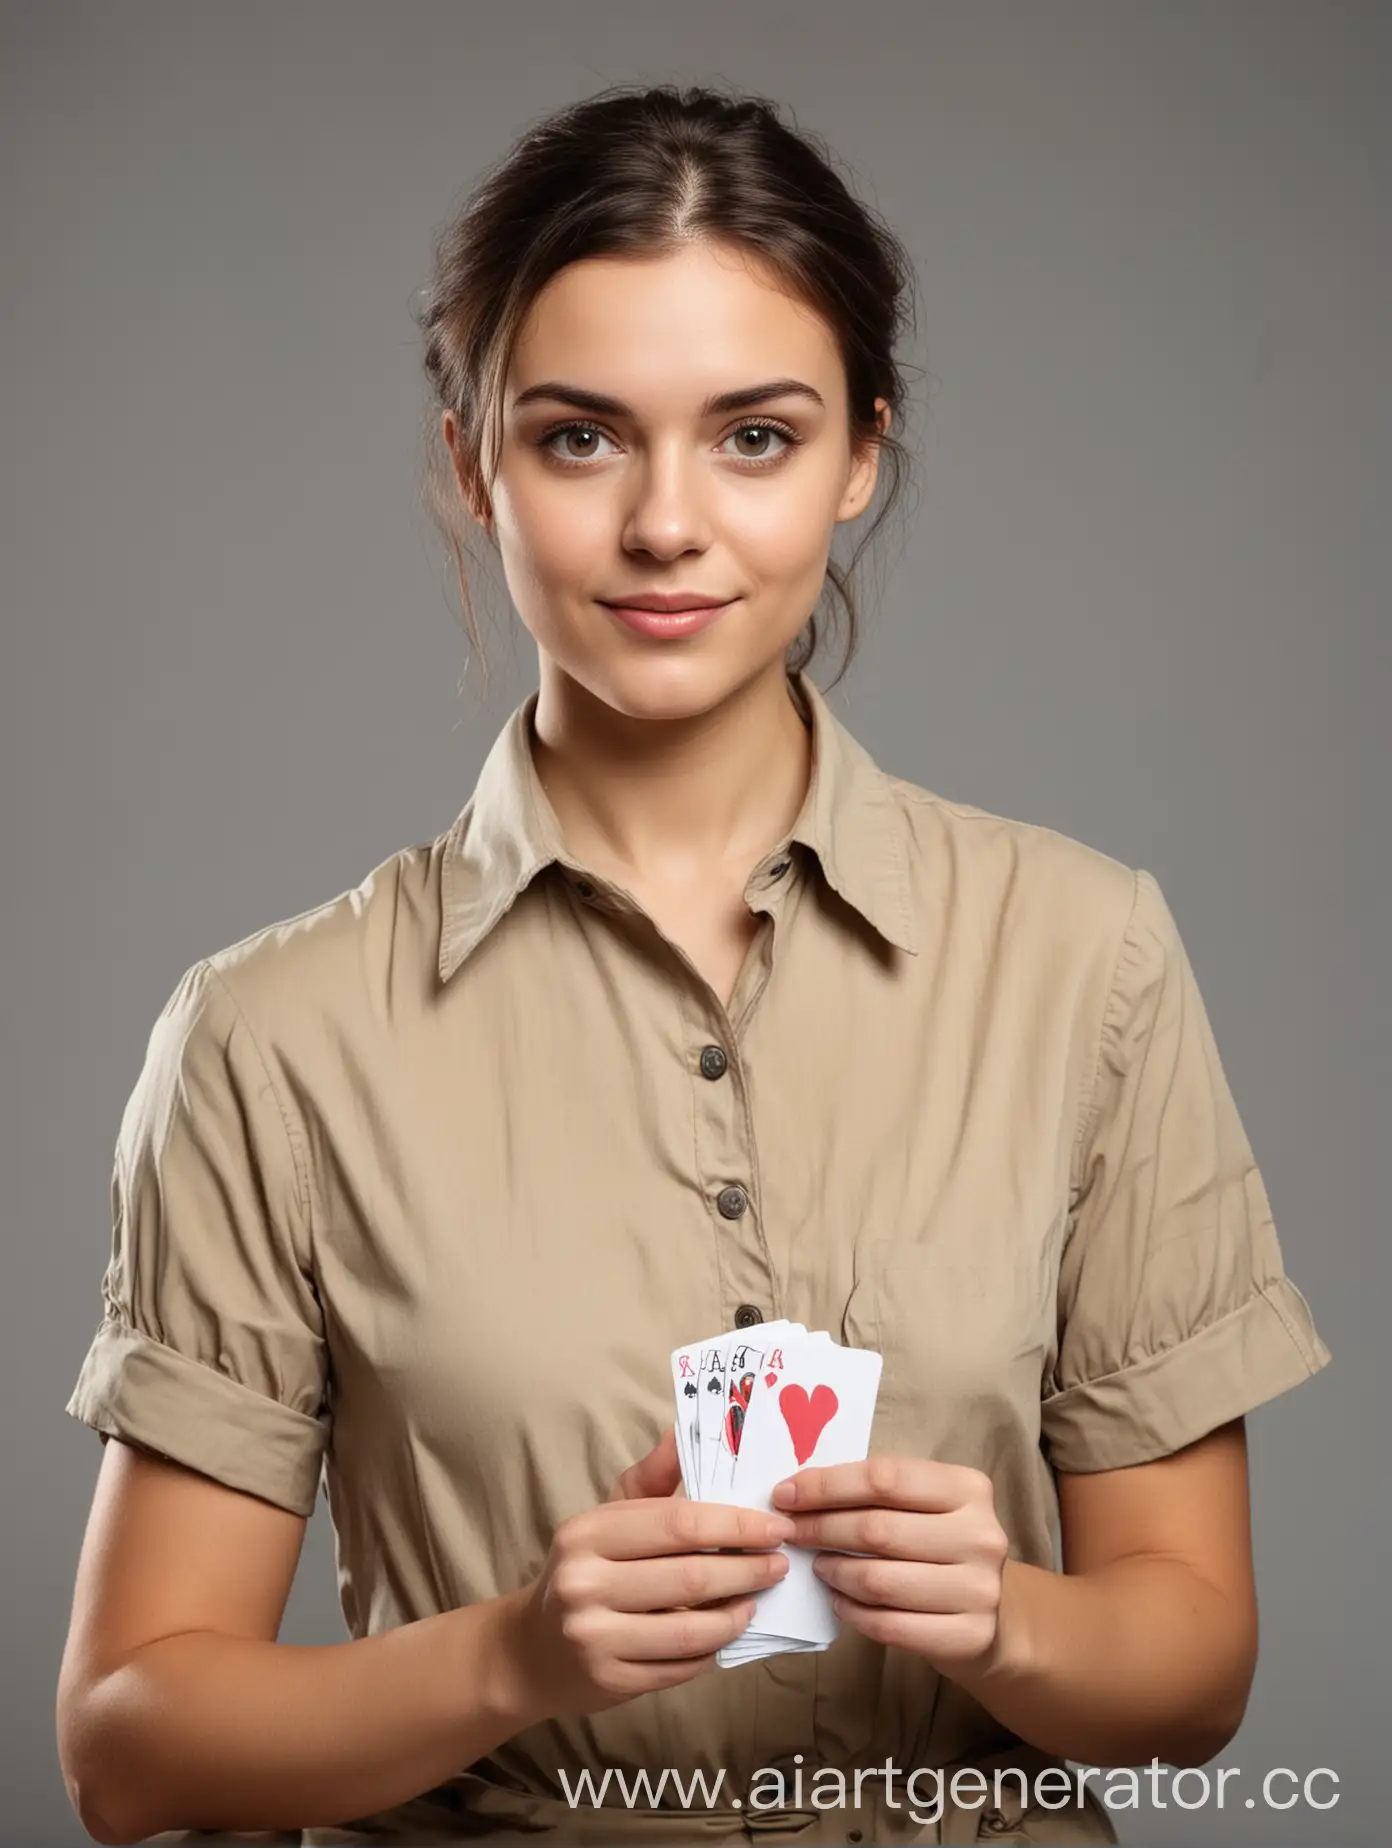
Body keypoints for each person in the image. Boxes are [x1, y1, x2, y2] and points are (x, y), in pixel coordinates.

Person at [57, 82, 1331, 1848]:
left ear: (861, 454)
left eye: (756, 435)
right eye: (581, 438)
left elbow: (1194, 1676)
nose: (668, 524)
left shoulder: (1085, 955)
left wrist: (1005, 1619)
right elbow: (131, 1745)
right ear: (471, 464)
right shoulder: (269, 1038)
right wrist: (512, 1655)